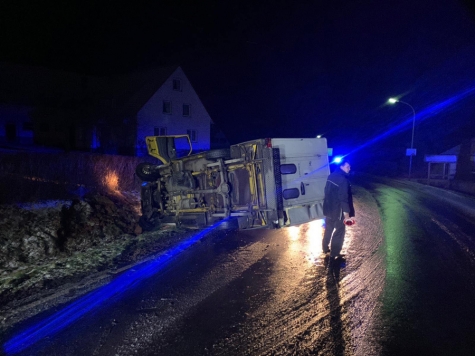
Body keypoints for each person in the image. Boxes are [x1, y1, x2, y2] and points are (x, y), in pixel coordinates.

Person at [322, 159, 355, 262]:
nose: (349, 169)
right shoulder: (343, 180)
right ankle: (334, 254)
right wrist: (347, 215)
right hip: (338, 211)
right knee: (339, 231)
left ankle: (325, 248)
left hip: (328, 209)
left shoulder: (331, 176)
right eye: (347, 167)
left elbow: (326, 192)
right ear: (341, 167)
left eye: (349, 167)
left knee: (329, 229)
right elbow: (344, 199)